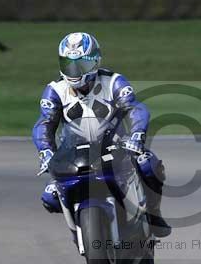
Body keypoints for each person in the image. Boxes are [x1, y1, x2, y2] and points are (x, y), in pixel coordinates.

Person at [32, 32, 172, 238]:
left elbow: (134, 108)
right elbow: (45, 123)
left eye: (81, 64)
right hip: (73, 154)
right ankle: (78, 232)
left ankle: (153, 214)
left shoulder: (113, 81)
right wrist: (46, 151)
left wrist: (136, 135)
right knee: (50, 197)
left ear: (95, 62)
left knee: (148, 165)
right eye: (68, 64)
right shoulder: (55, 90)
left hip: (115, 149)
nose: (74, 71)